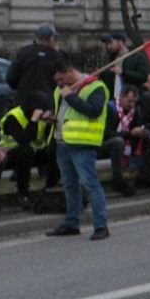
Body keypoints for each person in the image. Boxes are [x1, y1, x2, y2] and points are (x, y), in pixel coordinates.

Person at [44, 58, 110, 241]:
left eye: (61, 79)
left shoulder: (95, 87)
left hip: (82, 142)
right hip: (61, 141)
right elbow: (62, 110)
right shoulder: (61, 89)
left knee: (90, 183)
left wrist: (70, 97)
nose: (59, 83)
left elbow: (94, 111)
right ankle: (72, 222)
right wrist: (51, 116)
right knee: (70, 185)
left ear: (70, 72)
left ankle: (100, 225)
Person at [102, 85, 150, 196]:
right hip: (108, 143)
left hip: (130, 141)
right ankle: (117, 179)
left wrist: (142, 132)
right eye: (129, 101)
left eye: (134, 102)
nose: (131, 105)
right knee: (118, 142)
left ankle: (145, 175)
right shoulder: (109, 108)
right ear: (121, 97)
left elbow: (138, 126)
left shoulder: (135, 111)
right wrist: (129, 134)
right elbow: (106, 134)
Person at [4, 23, 65, 118]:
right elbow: (66, 79)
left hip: (24, 103)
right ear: (51, 39)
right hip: (49, 105)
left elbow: (11, 78)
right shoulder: (57, 56)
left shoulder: (23, 53)